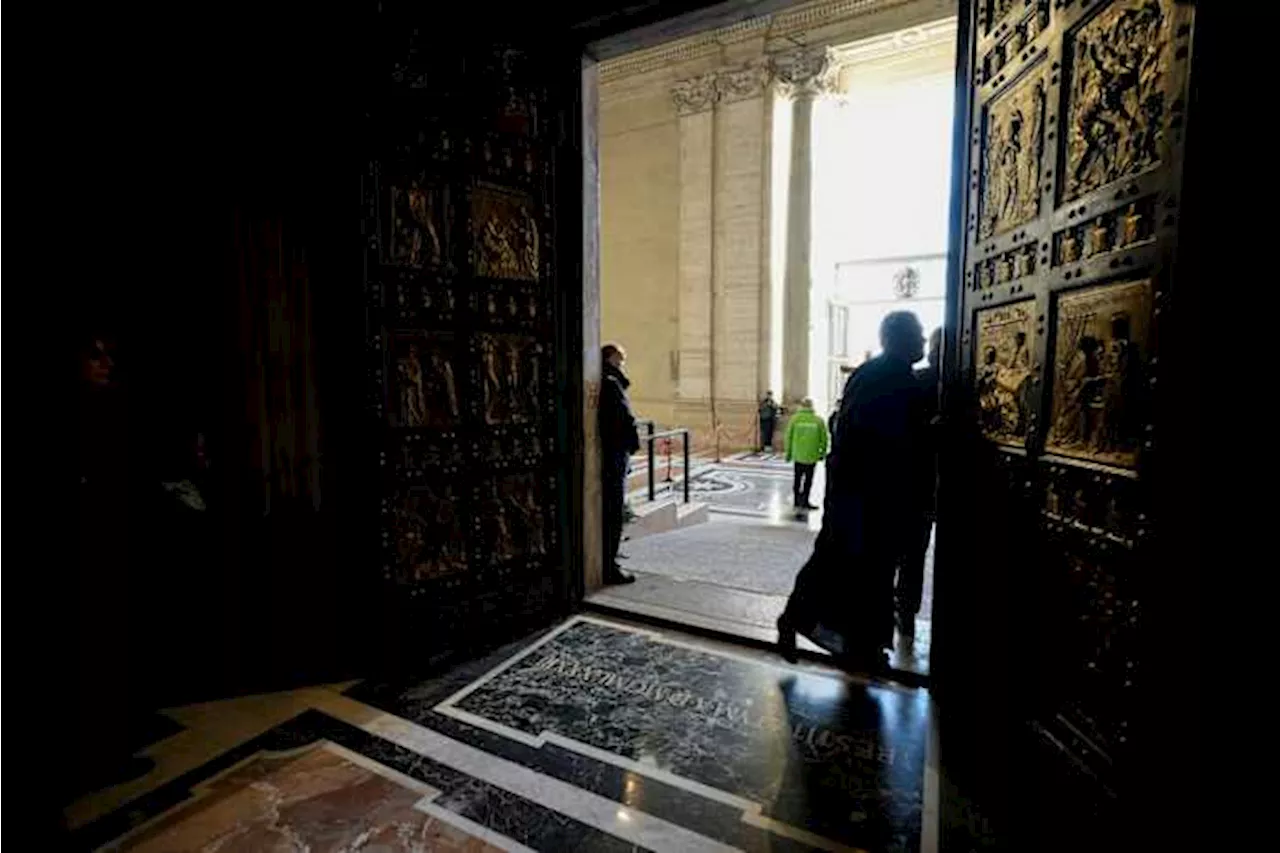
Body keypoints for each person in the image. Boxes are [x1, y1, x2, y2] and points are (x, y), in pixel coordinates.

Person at [777, 311, 927, 670]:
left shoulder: (879, 373)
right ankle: (856, 644)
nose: (922, 342)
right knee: (866, 570)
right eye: (917, 335)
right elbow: (885, 440)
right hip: (867, 496)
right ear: (899, 338)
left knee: (850, 567)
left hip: (861, 493)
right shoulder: (889, 377)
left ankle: (850, 641)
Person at [896, 327, 942, 644]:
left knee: (910, 553)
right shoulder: (962, 384)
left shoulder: (916, 380)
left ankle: (906, 613)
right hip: (920, 487)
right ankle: (906, 612)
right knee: (912, 552)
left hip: (916, 486)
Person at [600, 343, 640, 584]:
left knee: (613, 510)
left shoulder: (607, 381)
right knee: (612, 511)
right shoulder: (611, 383)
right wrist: (632, 444)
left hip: (613, 453)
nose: (622, 365)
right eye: (619, 360)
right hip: (614, 455)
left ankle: (608, 559)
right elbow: (625, 420)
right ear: (610, 359)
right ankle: (609, 565)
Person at [785, 397, 828, 510]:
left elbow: (788, 437)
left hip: (798, 456)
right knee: (808, 480)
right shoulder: (818, 420)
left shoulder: (795, 419)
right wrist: (822, 453)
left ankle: (796, 501)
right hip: (811, 456)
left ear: (801, 406)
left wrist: (788, 454)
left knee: (797, 479)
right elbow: (824, 439)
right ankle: (805, 501)